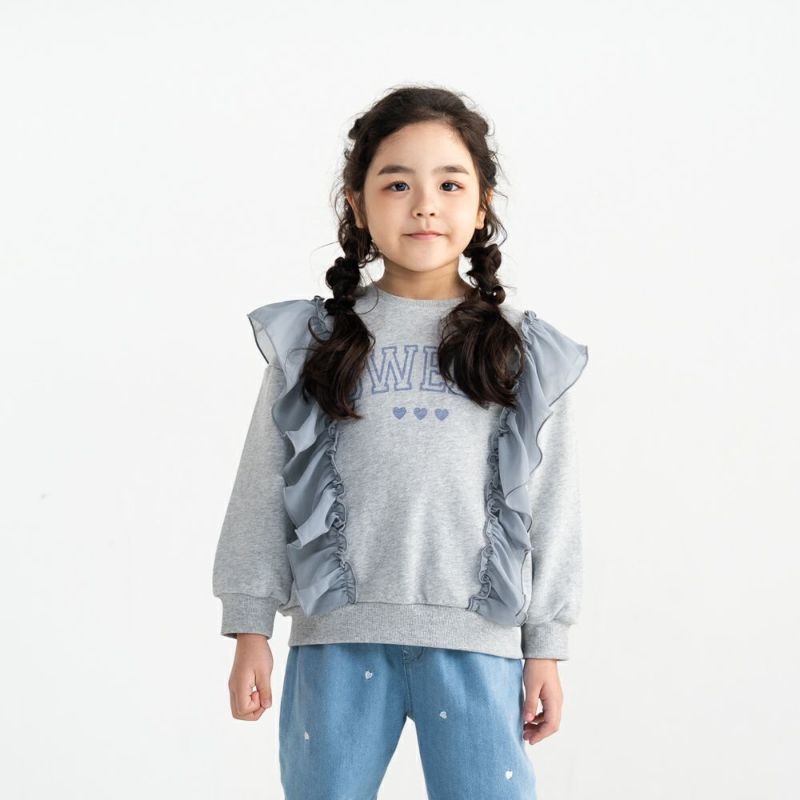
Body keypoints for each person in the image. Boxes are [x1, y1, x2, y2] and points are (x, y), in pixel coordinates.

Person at [212, 84, 589, 800]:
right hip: (336, 639)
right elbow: (262, 483)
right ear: (356, 204)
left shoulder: (525, 352)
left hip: (477, 643)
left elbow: (552, 504)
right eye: (396, 183)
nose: (424, 205)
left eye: (449, 184)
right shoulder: (313, 342)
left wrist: (546, 644)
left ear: (482, 207)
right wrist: (249, 624)